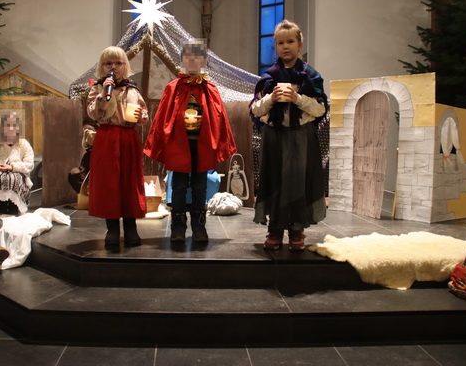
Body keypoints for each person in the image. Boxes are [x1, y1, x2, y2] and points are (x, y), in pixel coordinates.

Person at [144, 39, 236, 244]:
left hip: (201, 146)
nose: (193, 59)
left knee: (200, 187)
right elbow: (162, 117)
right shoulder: (173, 87)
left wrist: (218, 138)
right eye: (188, 55)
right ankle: (178, 227)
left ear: (204, 60)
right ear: (182, 59)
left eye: (197, 55)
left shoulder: (210, 88)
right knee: (178, 186)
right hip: (180, 146)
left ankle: (199, 226)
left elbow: (219, 117)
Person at [249, 20, 328, 251]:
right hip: (274, 137)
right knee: (275, 181)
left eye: (290, 41)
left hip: (300, 137)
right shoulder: (269, 77)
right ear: (275, 46)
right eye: (281, 43)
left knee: (298, 182)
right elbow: (255, 110)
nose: (286, 46)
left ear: (299, 44)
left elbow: (320, 110)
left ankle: (296, 230)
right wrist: (271, 98)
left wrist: (298, 98)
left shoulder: (310, 76)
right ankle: (274, 229)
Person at [86, 46, 149, 248]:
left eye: (118, 63)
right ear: (102, 67)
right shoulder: (97, 88)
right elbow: (92, 113)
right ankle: (112, 229)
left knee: (129, 182)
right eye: (108, 63)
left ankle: (131, 227)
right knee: (109, 183)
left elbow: (144, 114)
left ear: (125, 66)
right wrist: (103, 95)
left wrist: (143, 116)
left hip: (128, 138)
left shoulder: (133, 89)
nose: (113, 67)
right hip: (106, 138)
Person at [0, 111, 35, 215]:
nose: (10, 128)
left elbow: (29, 164)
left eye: (14, 125)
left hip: (18, 174)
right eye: (7, 125)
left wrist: (12, 167)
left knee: (13, 179)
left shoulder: (24, 144)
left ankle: (14, 206)